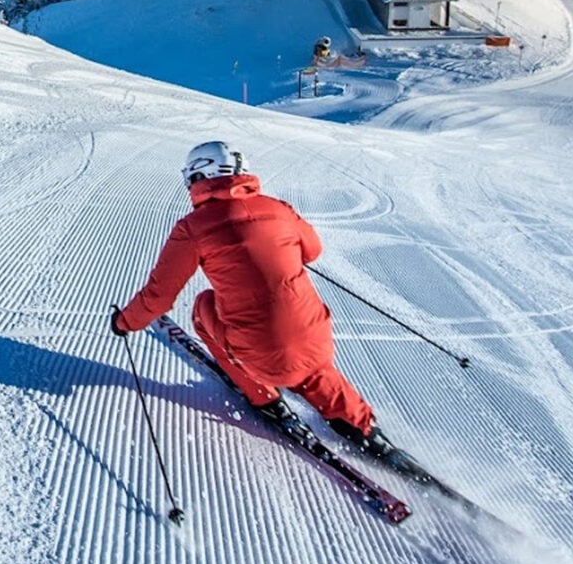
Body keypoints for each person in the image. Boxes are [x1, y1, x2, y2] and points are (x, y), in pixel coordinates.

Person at [110, 141, 397, 459]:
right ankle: (363, 427)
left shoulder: (192, 228)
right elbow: (312, 251)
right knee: (308, 356)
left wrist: (125, 322)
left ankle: (265, 399)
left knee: (204, 305)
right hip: (318, 341)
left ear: (200, 176)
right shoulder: (279, 208)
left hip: (261, 355)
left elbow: (159, 296)